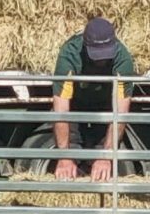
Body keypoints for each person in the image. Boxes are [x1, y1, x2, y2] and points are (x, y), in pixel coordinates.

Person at [52, 16, 136, 183]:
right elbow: (61, 110)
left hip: (106, 105)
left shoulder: (123, 59)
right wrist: (64, 156)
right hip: (75, 104)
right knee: (70, 156)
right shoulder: (69, 54)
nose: (102, 60)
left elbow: (120, 113)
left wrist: (106, 156)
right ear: (85, 46)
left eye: (106, 54)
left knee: (102, 160)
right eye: (97, 55)